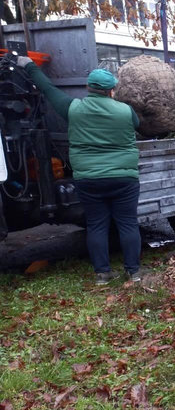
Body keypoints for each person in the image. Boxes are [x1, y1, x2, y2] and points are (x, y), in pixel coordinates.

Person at [17, 56, 143, 284]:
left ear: (88, 88)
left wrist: (29, 65)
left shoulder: (72, 108)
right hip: (124, 178)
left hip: (89, 179)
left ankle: (102, 274)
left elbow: (47, 88)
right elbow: (137, 125)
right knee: (127, 223)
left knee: (97, 225)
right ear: (112, 90)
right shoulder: (125, 111)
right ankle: (133, 272)